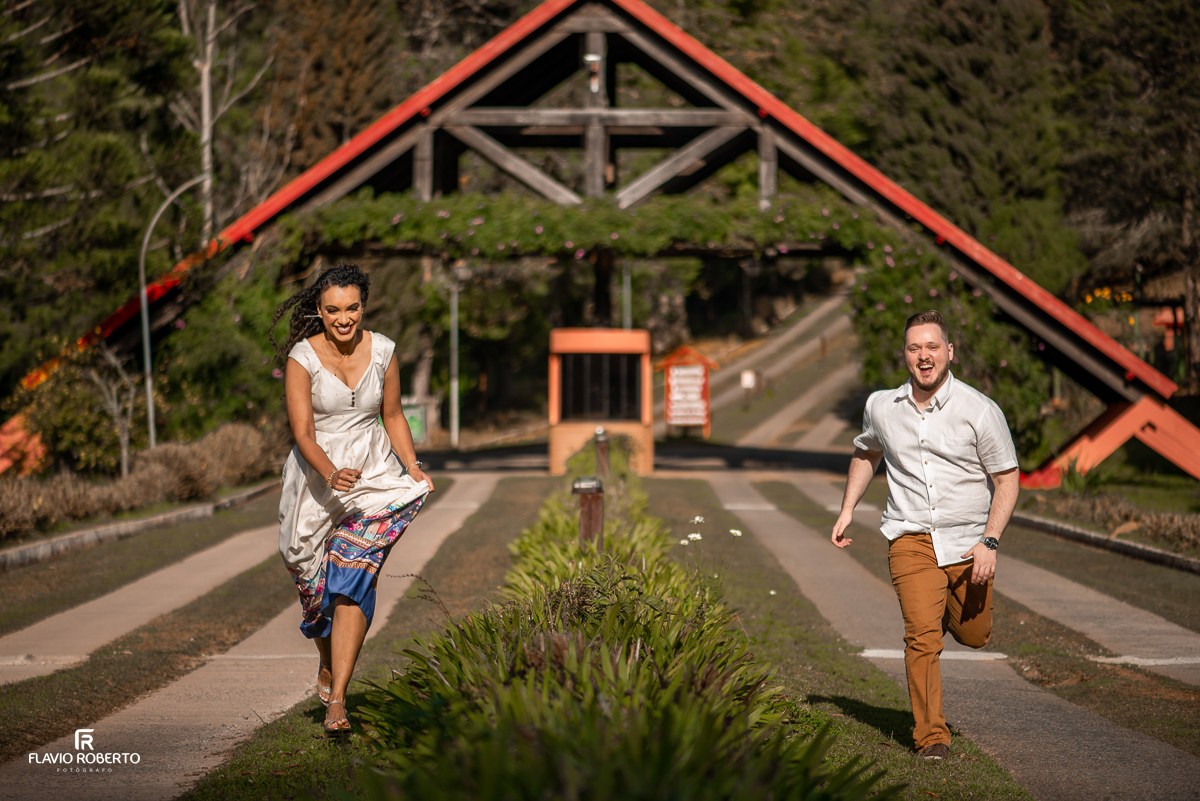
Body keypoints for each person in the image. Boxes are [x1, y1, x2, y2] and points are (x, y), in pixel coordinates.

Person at [830, 309, 1019, 761]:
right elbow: (867, 452)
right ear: (905, 355)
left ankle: (945, 611)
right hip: (910, 537)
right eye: (915, 348)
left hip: (969, 542)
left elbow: (1007, 478)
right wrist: (847, 508)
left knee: (974, 635)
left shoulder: (979, 410)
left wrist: (990, 541)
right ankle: (931, 736)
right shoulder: (881, 406)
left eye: (932, 346)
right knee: (921, 637)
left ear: (949, 351)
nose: (924, 355)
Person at [269, 263, 434, 737]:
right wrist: (330, 472)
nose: (344, 319)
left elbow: (393, 415)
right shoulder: (303, 357)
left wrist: (412, 465)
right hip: (316, 478)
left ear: (364, 306)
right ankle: (327, 659)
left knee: (352, 575)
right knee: (312, 585)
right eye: (333, 310)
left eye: (353, 308)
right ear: (319, 312)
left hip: (372, 476)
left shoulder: (383, 351)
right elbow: (303, 432)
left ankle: (338, 698)